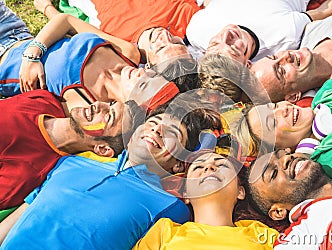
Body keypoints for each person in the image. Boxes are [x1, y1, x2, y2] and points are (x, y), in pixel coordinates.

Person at [0, 98, 220, 248]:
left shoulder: (170, 207)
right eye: (152, 122)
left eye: (172, 133)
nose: (156, 129)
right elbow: (17, 219)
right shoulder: (68, 164)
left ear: (178, 166)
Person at [1, 4, 198, 107]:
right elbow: (67, 21)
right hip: (16, 31)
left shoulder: (87, 104)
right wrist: (33, 54)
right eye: (152, 74)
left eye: (144, 85)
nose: (142, 73)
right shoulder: (128, 54)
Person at [0, 89, 131, 212]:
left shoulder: (28, 172)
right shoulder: (44, 100)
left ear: (102, 149)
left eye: (109, 116)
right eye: (110, 103)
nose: (98, 105)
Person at [134, 144, 278, 249]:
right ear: (186, 195)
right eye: (197, 167)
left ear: (240, 191)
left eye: (222, 166)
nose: (209, 168)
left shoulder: (260, 232)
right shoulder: (163, 232)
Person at [34, 0, 197, 67]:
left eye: (160, 48)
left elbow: (68, 24)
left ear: (148, 66)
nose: (165, 38)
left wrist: (46, 7)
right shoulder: (187, 16)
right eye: (177, 43)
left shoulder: (117, 43)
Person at [188, 0, 332, 63]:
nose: (226, 34)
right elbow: (328, 9)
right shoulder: (284, 33)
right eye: (233, 47)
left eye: (214, 43)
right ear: (247, 64)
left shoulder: (197, 31)